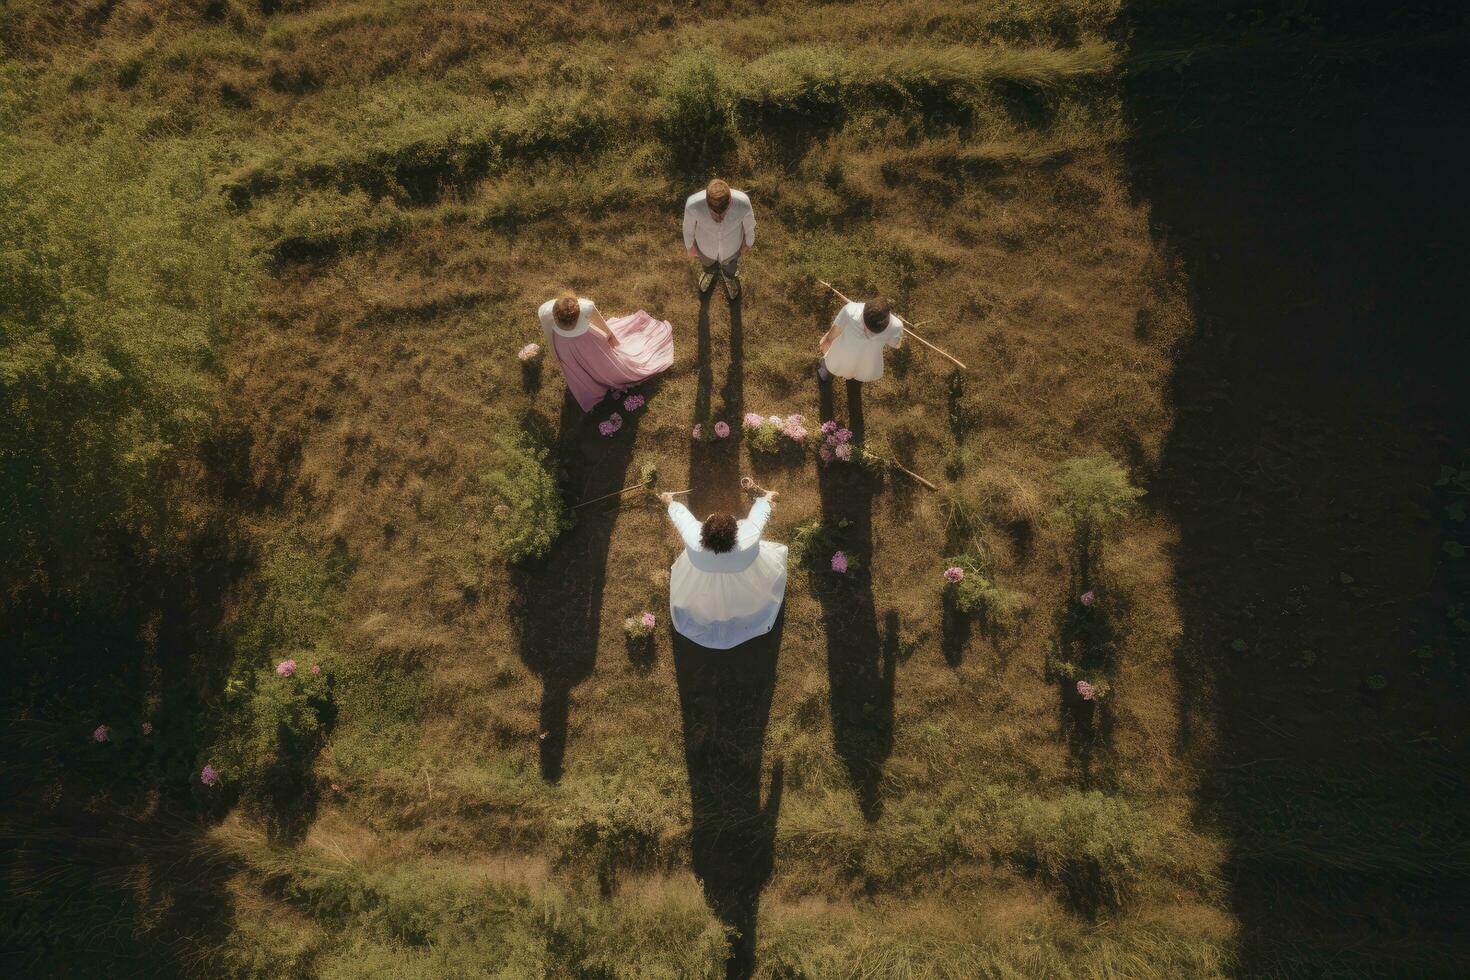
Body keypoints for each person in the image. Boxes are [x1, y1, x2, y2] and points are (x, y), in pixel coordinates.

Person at [659, 486, 787, 650]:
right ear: (735, 535)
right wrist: (767, 499)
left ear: (703, 533)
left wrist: (669, 502)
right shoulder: (748, 537)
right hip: (744, 578)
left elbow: (682, 518)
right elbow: (758, 517)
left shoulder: (693, 537)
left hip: (702, 579)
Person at [537, 293, 673, 412]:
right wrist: (556, 354)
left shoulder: (586, 306)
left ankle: (599, 375)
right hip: (563, 344)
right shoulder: (544, 312)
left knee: (597, 363)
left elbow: (603, 326)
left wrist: (612, 342)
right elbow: (549, 334)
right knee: (575, 366)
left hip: (587, 340)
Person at [682, 178, 755, 301]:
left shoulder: (743, 203)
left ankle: (729, 277)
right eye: (714, 212)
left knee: (730, 268)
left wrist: (748, 242)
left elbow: (749, 225)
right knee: (707, 265)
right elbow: (687, 228)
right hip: (705, 247)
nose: (719, 217)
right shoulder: (693, 204)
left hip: (732, 247)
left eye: (723, 212)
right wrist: (690, 246)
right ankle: (709, 273)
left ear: (730, 200)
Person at [816, 295, 903, 383]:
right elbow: (896, 345)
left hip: (841, 355)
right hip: (866, 363)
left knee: (831, 364)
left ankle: (825, 372)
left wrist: (825, 345)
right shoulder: (896, 326)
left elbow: (830, 337)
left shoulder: (850, 310)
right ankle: (854, 378)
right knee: (859, 372)